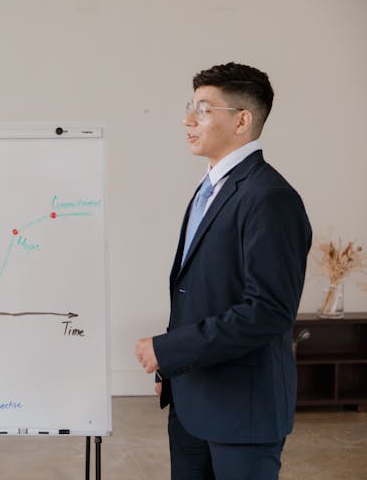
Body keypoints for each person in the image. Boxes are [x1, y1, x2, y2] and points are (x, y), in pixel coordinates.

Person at [134, 62, 312, 479]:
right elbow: (200, 292)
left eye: (204, 108)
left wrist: (169, 349)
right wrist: (172, 369)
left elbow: (267, 311)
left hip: (241, 413)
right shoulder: (210, 188)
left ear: (242, 120)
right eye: (190, 107)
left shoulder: (270, 197)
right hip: (192, 401)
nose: (188, 120)